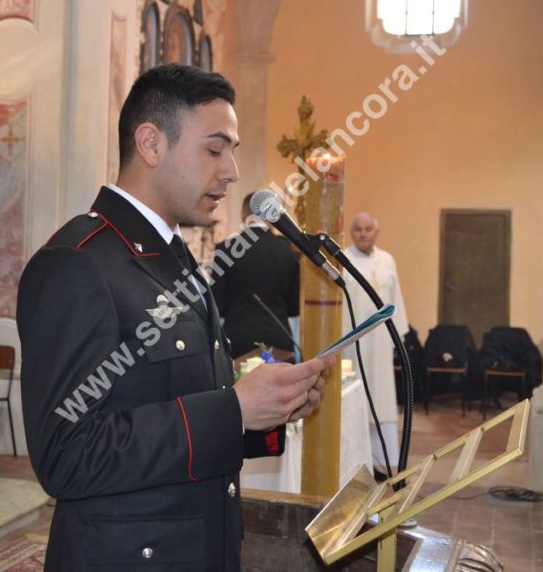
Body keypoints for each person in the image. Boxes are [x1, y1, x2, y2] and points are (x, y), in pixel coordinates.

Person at [17, 64, 331, 571]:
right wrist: (233, 411)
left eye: (232, 151)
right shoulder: (78, 264)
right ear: (151, 144)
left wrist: (268, 407)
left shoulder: (174, 257)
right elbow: (64, 454)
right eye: (214, 149)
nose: (230, 170)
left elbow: (178, 399)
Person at [341, 212, 409, 475]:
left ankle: (383, 461)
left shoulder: (387, 260)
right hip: (353, 342)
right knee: (355, 398)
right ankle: (354, 460)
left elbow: (396, 299)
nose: (363, 234)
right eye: (358, 229)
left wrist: (397, 338)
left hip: (381, 343)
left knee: (380, 398)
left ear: (376, 232)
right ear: (351, 232)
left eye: (368, 229)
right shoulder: (343, 260)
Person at [211, 191, 300, 358]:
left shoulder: (225, 249)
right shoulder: (289, 249)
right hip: (279, 337)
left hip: (237, 339)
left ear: (244, 213)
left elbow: (218, 304)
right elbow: (295, 306)